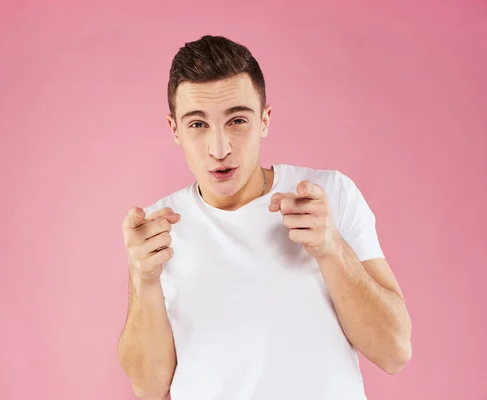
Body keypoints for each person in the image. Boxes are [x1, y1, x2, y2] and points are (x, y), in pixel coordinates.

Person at [117, 35, 412, 400]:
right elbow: (148, 389)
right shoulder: (159, 229)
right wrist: (143, 279)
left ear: (265, 120)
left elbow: (395, 352)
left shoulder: (329, 195)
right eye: (197, 125)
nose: (219, 149)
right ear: (174, 129)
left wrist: (331, 248)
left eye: (237, 120)